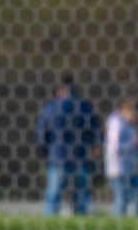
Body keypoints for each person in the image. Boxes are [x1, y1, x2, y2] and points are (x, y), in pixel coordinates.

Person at [36, 72, 102, 216]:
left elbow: (42, 131)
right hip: (81, 157)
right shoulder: (85, 107)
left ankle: (49, 223)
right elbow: (96, 130)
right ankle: (81, 223)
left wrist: (43, 149)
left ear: (60, 91)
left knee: (54, 195)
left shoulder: (51, 108)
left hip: (58, 158)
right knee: (81, 196)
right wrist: (95, 146)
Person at [105, 99, 138, 217]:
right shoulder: (116, 122)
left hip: (130, 168)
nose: (136, 118)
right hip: (118, 168)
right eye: (134, 114)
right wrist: (132, 143)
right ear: (126, 111)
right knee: (121, 198)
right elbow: (114, 147)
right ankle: (118, 225)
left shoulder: (128, 124)